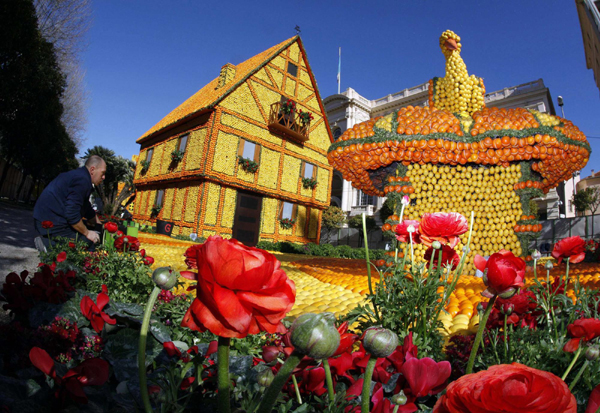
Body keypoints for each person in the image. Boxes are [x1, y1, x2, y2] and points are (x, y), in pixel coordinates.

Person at [33, 155, 106, 251]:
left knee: (89, 230)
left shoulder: (80, 176)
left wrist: (99, 224)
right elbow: (72, 214)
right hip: (52, 223)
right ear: (92, 170)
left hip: (46, 217)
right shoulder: (82, 180)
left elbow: (86, 207)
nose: (104, 177)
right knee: (89, 243)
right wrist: (87, 233)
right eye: (103, 173)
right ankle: (49, 245)